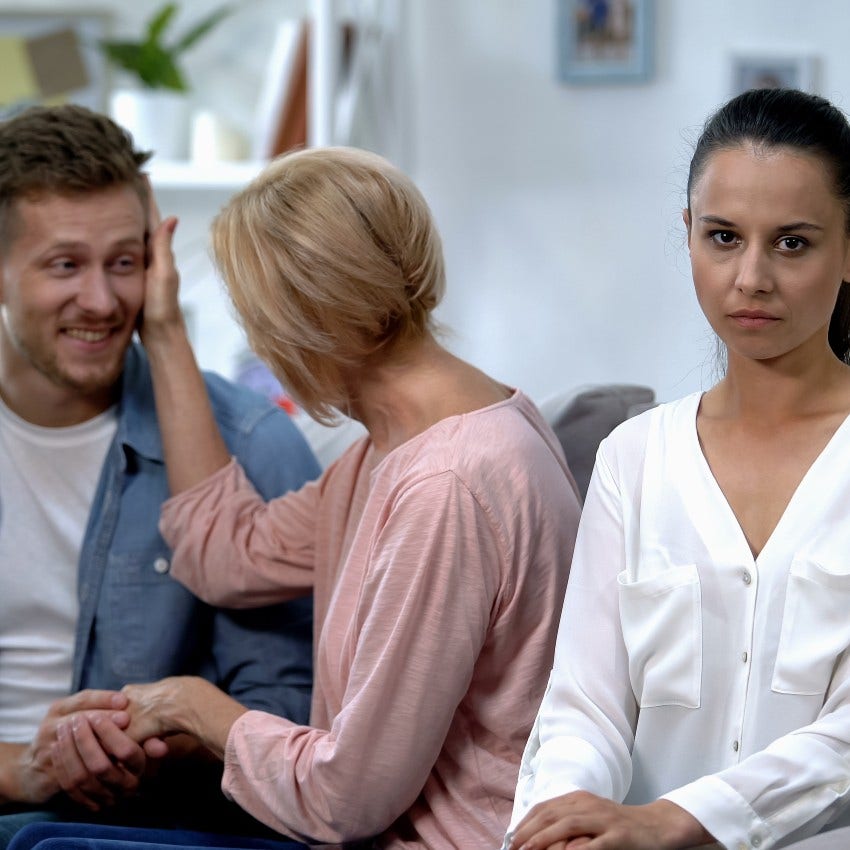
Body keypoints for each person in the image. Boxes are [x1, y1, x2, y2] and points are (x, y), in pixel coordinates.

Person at [21, 145, 583, 850]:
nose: (259, 345)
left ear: (304, 318)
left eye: (258, 321)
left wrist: (199, 711)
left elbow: (345, 800)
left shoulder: (449, 484)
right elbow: (226, 554)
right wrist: (162, 330)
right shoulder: (393, 451)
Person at [503, 87, 850, 850]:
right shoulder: (634, 458)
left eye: (792, 243)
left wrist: (678, 821)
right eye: (724, 237)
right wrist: (563, 821)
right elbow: (584, 706)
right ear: (688, 234)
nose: (751, 277)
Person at [0, 105, 320, 843]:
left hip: (163, 825)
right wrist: (26, 769)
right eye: (64, 265)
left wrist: (158, 742)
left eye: (124, 262)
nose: (103, 302)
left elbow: (295, 712)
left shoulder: (249, 442)